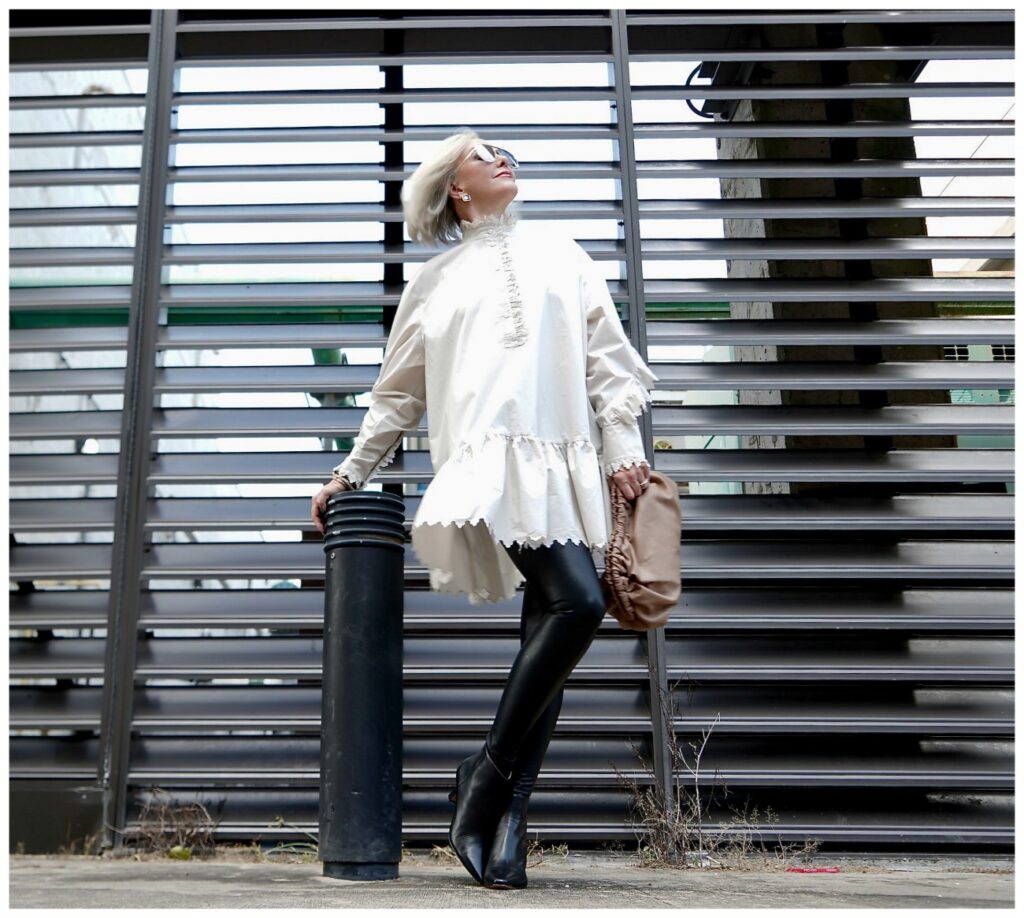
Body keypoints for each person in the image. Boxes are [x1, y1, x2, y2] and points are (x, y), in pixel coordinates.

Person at [310, 128, 657, 889]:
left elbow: (606, 358)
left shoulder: (564, 254)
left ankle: (511, 818)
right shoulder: (432, 283)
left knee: (550, 627)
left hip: (563, 458)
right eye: (482, 153)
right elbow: (399, 393)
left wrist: (624, 446)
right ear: (457, 188)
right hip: (487, 465)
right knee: (579, 602)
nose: (505, 157)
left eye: (506, 150)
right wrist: (349, 472)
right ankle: (487, 775)